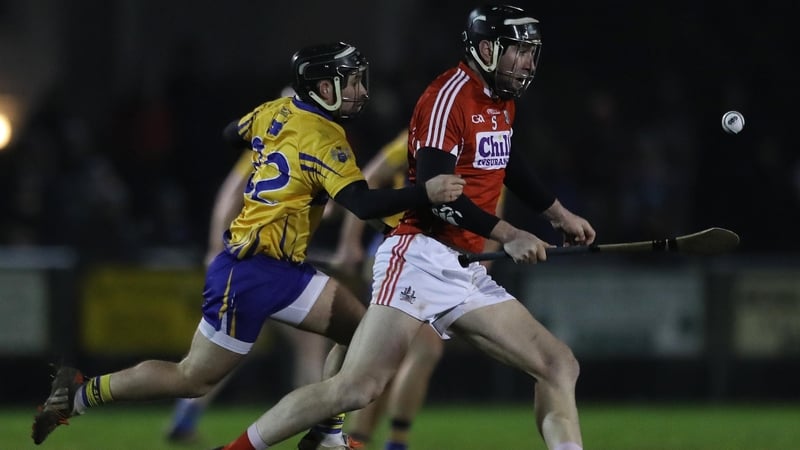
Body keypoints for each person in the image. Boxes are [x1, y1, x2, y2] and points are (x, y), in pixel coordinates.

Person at [30, 41, 465, 449]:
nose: (360, 91)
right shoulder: (326, 140)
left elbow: (229, 134)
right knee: (192, 378)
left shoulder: (275, 110)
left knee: (361, 334)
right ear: (323, 88)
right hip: (250, 272)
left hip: (283, 269)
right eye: (350, 82)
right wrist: (424, 194)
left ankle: (327, 435)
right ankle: (80, 394)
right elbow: (363, 203)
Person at [214, 5, 595, 450]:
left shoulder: (500, 100)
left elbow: (508, 163)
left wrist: (559, 215)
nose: (528, 63)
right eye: (519, 51)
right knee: (356, 388)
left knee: (558, 365)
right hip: (420, 257)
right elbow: (440, 198)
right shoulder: (447, 98)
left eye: (531, 53)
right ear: (487, 49)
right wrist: (510, 235)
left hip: (465, 268)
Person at [332, 129, 506, 450]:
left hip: (444, 264)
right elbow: (369, 179)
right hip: (406, 252)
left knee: (392, 356)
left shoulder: (491, 151)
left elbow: (493, 222)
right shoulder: (424, 137)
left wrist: (476, 274)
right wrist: (349, 242)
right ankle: (389, 443)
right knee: (421, 349)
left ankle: (359, 440)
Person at [165, 139, 332, 442]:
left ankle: (186, 414)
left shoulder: (285, 148)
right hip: (259, 265)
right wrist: (216, 248)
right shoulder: (280, 146)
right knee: (309, 343)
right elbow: (231, 193)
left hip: (258, 263)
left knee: (229, 347)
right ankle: (316, 428)